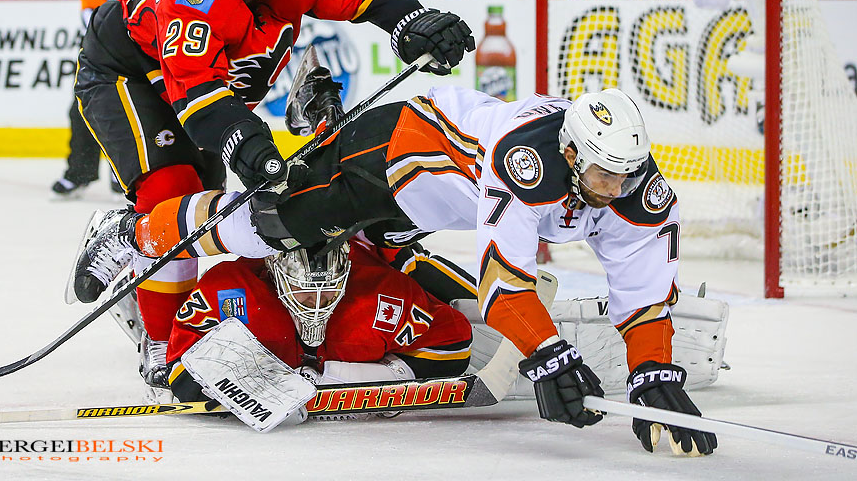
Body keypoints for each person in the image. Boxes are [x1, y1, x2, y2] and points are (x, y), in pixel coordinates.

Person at [77, 84, 717, 455]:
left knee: (416, 284)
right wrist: (547, 355)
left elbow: (641, 285)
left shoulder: (630, 184)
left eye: (625, 174)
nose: (615, 187)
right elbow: (505, 280)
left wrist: (652, 366)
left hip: (428, 210)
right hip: (392, 154)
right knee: (273, 225)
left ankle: (348, 197)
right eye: (604, 173)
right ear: (572, 151)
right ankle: (136, 234)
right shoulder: (530, 161)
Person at [66, 0, 473, 386]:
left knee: (197, 207)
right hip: (129, 71)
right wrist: (252, 146)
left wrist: (412, 20)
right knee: (170, 192)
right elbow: (197, 97)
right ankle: (158, 336)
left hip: (210, 86)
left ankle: (136, 244)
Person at [167, 239, 474, 413]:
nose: (316, 302)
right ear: (274, 271)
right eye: (302, 289)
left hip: (367, 239)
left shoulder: (382, 292)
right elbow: (182, 372)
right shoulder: (230, 290)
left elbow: (453, 345)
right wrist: (259, 389)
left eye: (328, 289)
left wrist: (378, 376)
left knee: (406, 257)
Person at [51, 0, 169, 198]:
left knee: (152, 112)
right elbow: (88, 9)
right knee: (86, 109)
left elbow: (170, 6)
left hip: (152, 54)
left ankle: (128, 174)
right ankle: (79, 173)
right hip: (106, 53)